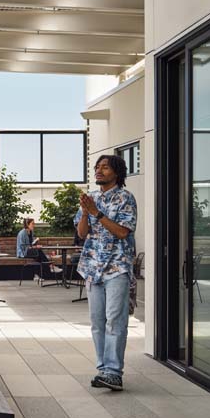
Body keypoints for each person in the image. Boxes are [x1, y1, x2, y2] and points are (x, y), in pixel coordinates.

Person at [75, 154, 137, 392]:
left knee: (115, 321)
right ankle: (103, 370)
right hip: (92, 267)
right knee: (97, 323)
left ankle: (113, 373)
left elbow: (122, 232)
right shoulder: (92, 198)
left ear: (117, 173)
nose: (99, 171)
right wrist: (85, 212)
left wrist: (97, 213)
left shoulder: (125, 198)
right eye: (97, 167)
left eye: (105, 167)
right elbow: (82, 234)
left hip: (117, 267)